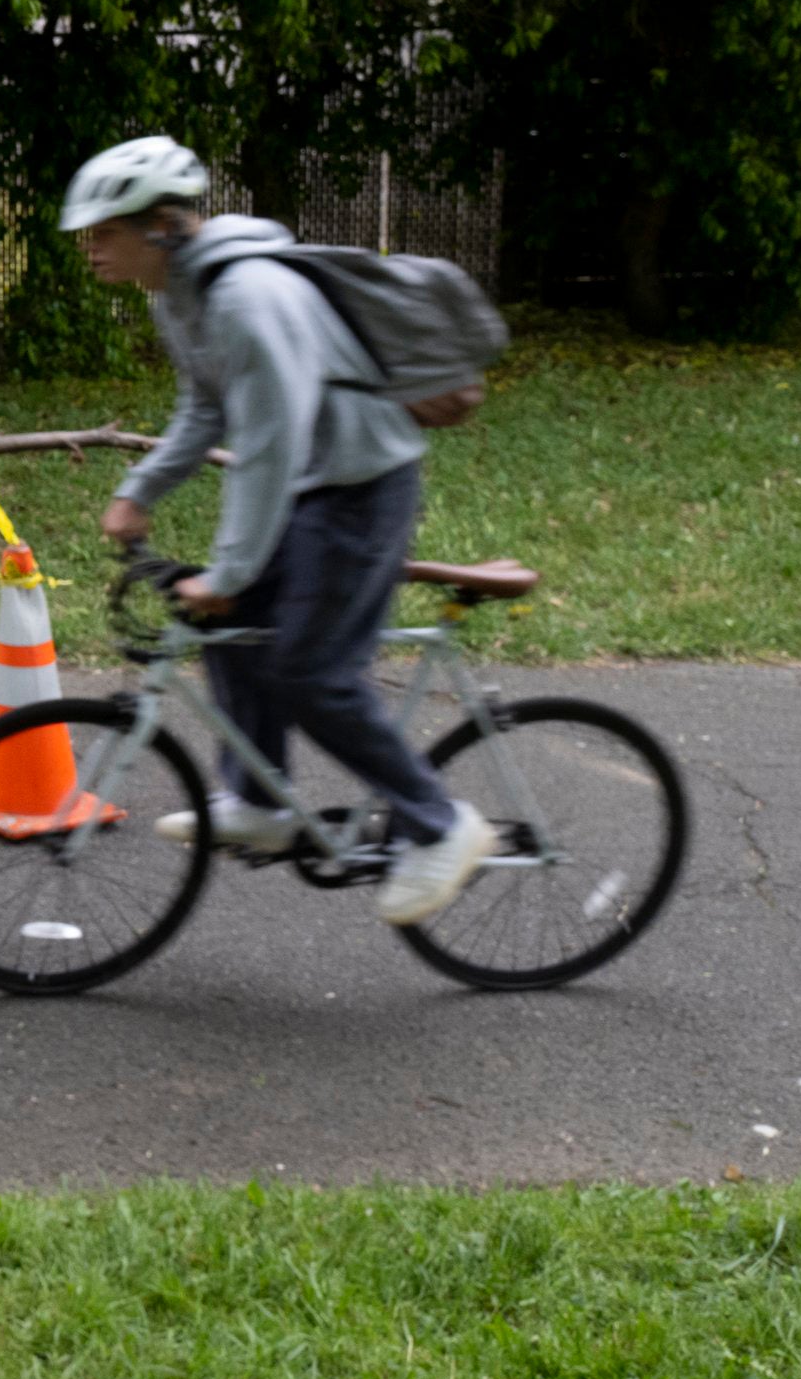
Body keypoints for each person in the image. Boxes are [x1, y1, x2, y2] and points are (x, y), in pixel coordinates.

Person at [59, 136, 494, 925]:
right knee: (232, 627)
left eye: (103, 232)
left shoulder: (247, 297)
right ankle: (259, 803)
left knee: (309, 670)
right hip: (311, 486)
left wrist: (228, 571)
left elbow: (268, 444)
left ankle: (441, 824)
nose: (91, 250)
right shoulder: (179, 297)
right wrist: (142, 489)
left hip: (361, 489)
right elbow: (205, 409)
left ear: (159, 224)